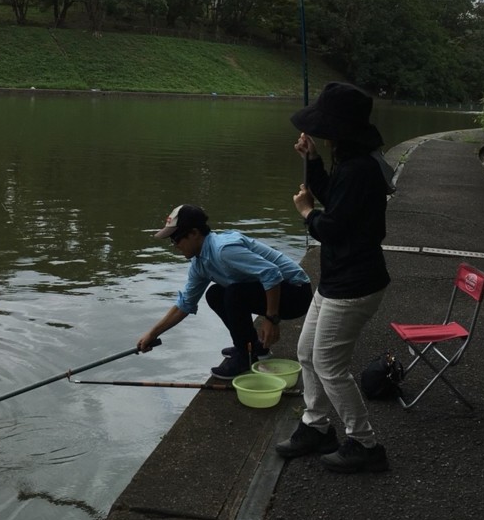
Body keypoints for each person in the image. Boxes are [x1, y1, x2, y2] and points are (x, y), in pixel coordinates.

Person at [276, 81, 392, 474]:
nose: (320, 135)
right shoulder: (351, 162)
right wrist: (312, 160)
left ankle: (365, 443)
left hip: (355, 284)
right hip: (338, 277)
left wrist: (307, 213)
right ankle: (316, 427)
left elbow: (333, 227)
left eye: (324, 130)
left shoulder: (360, 170)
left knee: (329, 364)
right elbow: (333, 195)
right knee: (307, 352)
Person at [136, 204, 313, 379]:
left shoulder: (224, 250)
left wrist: (271, 318)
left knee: (233, 293)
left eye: (176, 239)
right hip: (275, 291)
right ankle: (253, 347)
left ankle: (244, 357)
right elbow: (185, 305)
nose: (174, 245)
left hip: (296, 293)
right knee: (215, 294)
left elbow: (271, 273)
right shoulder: (200, 263)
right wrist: (152, 334)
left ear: (195, 234)